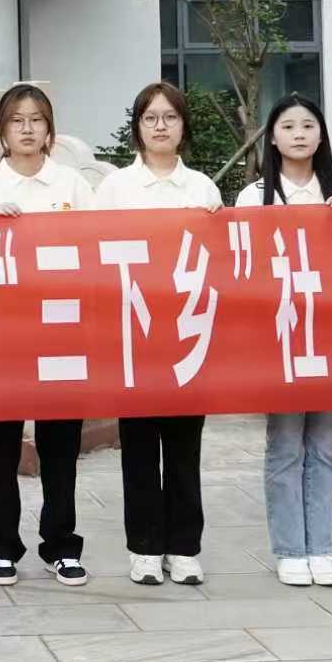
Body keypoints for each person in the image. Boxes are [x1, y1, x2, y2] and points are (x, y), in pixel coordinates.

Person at [0, 82, 96, 588]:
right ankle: (2, 546)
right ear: (1, 131)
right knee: (0, 445)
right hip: (3, 334)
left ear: (49, 130)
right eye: (16, 120)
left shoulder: (72, 186)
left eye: (36, 119)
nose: (26, 128)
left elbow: (96, 248)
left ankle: (61, 544)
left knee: (60, 444)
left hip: (61, 330)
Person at [92, 82, 221, 588]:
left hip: (189, 334)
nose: (160, 126)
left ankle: (185, 547)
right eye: (150, 118)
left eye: (170, 117)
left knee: (185, 447)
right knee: (140, 448)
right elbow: (94, 254)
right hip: (135, 334)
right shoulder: (115, 188)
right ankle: (144, 547)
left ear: (183, 126)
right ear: (138, 128)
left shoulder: (203, 189)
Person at [236, 92, 332, 588]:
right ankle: (290, 549)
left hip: (330, 336)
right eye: (288, 126)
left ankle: (322, 549)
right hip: (280, 336)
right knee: (285, 444)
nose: (299, 134)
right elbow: (241, 266)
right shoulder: (254, 197)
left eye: (308, 125)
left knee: (325, 444)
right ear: (272, 138)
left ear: (321, 135)